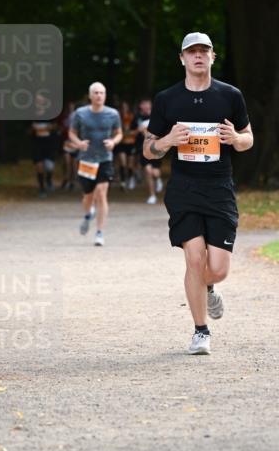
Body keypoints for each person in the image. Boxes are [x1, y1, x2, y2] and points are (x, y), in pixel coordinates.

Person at [144, 31, 253, 355]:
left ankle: (208, 285)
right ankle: (200, 331)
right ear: (182, 58)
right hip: (184, 189)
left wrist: (235, 137)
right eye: (192, 51)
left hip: (219, 188)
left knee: (217, 267)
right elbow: (148, 150)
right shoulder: (167, 100)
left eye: (204, 50)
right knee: (194, 258)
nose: (198, 56)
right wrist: (166, 142)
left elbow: (249, 139)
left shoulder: (230, 95)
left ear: (212, 57)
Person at [68, 82, 122, 246]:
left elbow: (119, 133)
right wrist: (78, 144)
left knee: (101, 193)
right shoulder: (80, 113)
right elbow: (71, 132)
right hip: (86, 159)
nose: (99, 96)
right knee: (88, 196)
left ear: (105, 95)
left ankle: (99, 232)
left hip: (105, 159)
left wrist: (113, 142)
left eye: (102, 93)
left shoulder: (112, 114)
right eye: (96, 93)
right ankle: (87, 214)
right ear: (90, 96)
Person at [136, 97, 164, 203]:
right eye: (144, 103)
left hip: (156, 147)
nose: (146, 106)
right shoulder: (137, 117)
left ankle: (158, 179)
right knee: (148, 171)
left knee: (155, 173)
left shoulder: (157, 115)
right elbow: (134, 131)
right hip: (142, 148)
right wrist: (139, 130)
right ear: (140, 106)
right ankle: (152, 195)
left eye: (148, 103)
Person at [30, 95, 58, 198]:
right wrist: (33, 128)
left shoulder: (50, 113)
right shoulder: (31, 114)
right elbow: (28, 128)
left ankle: (49, 179)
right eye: (37, 101)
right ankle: (42, 189)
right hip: (37, 144)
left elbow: (56, 125)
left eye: (41, 101)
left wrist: (49, 127)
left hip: (49, 143)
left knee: (49, 166)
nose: (39, 103)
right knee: (39, 166)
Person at [59, 101, 78, 190]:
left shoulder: (78, 117)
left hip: (75, 142)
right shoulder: (64, 117)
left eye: (72, 106)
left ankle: (72, 181)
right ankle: (66, 178)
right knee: (67, 162)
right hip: (67, 142)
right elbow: (61, 128)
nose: (71, 108)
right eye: (69, 107)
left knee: (74, 163)